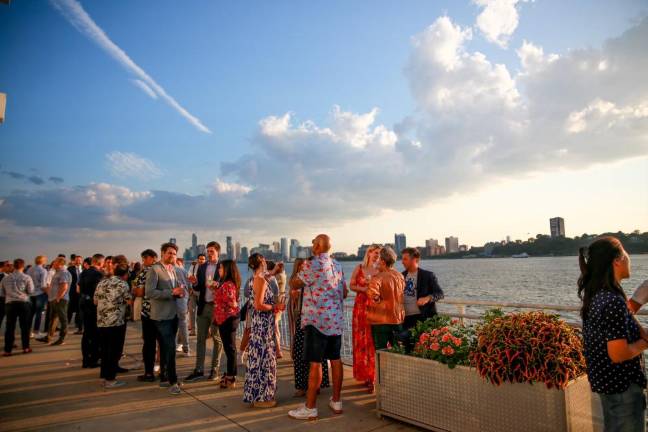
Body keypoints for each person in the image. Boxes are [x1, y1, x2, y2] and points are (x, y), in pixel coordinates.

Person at [579, 237, 648, 431]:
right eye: (625, 253)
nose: (629, 257)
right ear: (617, 260)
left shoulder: (599, 295)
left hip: (609, 386)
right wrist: (644, 343)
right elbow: (618, 354)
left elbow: (615, 325)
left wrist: (636, 302)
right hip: (622, 390)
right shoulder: (612, 301)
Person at [288, 234, 347, 421]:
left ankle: (310, 407)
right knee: (336, 360)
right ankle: (336, 401)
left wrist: (295, 277)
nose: (312, 244)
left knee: (315, 363)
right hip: (335, 320)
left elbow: (295, 283)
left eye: (314, 242)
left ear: (319, 246)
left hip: (316, 321)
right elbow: (344, 292)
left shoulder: (311, 264)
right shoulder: (337, 265)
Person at [145, 242, 184, 395]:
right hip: (161, 316)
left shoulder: (172, 269)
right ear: (162, 253)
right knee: (170, 349)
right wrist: (171, 292)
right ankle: (173, 381)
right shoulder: (154, 270)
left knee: (166, 347)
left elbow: (174, 290)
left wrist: (180, 292)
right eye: (169, 253)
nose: (172, 256)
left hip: (173, 314)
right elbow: (149, 292)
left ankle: (164, 377)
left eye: (174, 253)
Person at [243, 253, 281, 408]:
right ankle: (262, 397)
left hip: (260, 324)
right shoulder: (260, 279)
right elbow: (259, 305)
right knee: (265, 360)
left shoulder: (256, 278)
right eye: (264, 260)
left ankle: (258, 394)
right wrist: (274, 307)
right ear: (262, 262)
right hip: (263, 325)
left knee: (259, 358)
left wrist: (274, 272)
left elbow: (266, 276)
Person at [289, 257, 330, 397]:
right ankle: (302, 386)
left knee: (317, 353)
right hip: (302, 318)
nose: (303, 267)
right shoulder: (296, 280)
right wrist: (293, 296)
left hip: (315, 318)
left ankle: (317, 384)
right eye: (300, 265)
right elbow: (293, 300)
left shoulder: (314, 276)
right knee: (301, 353)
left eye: (305, 265)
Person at [185, 241, 223, 383]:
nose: (209, 253)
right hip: (203, 306)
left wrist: (217, 286)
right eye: (208, 251)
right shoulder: (202, 267)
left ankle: (215, 369)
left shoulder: (223, 267)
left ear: (218, 252)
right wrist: (194, 282)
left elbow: (229, 285)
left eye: (212, 251)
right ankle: (199, 369)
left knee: (216, 338)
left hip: (217, 307)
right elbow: (200, 287)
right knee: (200, 338)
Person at [94, 263, 132, 389]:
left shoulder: (102, 282)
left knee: (104, 350)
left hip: (101, 321)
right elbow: (129, 301)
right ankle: (110, 379)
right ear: (125, 274)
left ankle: (103, 376)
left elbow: (95, 301)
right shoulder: (123, 284)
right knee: (114, 351)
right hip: (116, 322)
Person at [350, 244, 380, 393]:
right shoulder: (359, 268)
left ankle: (373, 377)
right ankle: (365, 375)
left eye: (379, 254)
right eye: (375, 253)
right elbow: (351, 285)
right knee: (362, 341)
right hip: (361, 308)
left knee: (373, 341)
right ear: (368, 253)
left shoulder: (380, 270)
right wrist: (364, 289)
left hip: (375, 308)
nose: (377, 256)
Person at [366, 247, 405, 351]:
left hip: (380, 321)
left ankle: (382, 368)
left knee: (380, 352)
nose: (375, 261)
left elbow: (373, 296)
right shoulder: (400, 276)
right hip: (398, 319)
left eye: (377, 259)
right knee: (398, 350)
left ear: (382, 261)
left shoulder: (377, 277)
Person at [212, 259, 241, 388]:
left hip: (227, 319)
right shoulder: (226, 283)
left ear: (227, 269)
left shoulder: (228, 284)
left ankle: (231, 377)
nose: (219, 270)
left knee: (230, 349)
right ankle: (230, 374)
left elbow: (231, 301)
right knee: (230, 348)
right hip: (225, 319)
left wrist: (233, 304)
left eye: (221, 268)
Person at [400, 247, 444, 330]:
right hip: (405, 320)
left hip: (423, 318)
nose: (402, 262)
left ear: (415, 259)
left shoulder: (428, 275)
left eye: (405, 259)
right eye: (402, 259)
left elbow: (440, 293)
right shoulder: (400, 276)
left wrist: (427, 298)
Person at [134, 249, 159, 382]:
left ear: (151, 258)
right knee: (163, 343)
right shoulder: (164, 270)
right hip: (162, 312)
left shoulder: (145, 271)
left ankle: (149, 373)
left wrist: (135, 289)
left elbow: (139, 292)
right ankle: (164, 371)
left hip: (148, 312)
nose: (143, 262)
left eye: (144, 259)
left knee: (149, 343)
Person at [1, 259, 34, 356]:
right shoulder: (27, 277)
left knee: (10, 327)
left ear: (13, 266)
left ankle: (7, 350)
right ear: (23, 266)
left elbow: (2, 293)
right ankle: (26, 347)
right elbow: (31, 291)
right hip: (23, 302)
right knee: (25, 327)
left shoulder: (5, 278)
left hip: (10, 304)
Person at [37, 257, 72, 345]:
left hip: (60, 300)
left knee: (63, 319)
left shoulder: (63, 273)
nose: (53, 263)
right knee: (53, 319)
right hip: (55, 299)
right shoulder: (58, 272)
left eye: (55, 262)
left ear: (60, 264)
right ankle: (48, 337)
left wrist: (58, 298)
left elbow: (64, 286)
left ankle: (62, 338)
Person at [79, 254, 104, 368]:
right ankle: (94, 359)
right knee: (95, 334)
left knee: (86, 333)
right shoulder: (98, 274)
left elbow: (78, 288)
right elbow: (99, 292)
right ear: (100, 262)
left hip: (84, 302)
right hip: (94, 305)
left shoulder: (83, 272)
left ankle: (85, 360)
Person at [27, 255, 49, 338]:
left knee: (30, 314)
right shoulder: (43, 270)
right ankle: (36, 331)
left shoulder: (29, 269)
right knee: (39, 314)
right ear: (42, 261)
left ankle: (28, 332)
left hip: (31, 294)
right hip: (40, 294)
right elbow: (43, 285)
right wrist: (48, 293)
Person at [175, 257, 191, 356]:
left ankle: (172, 348)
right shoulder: (183, 270)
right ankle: (186, 349)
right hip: (182, 301)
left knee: (171, 326)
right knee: (183, 325)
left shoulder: (168, 270)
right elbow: (190, 286)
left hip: (171, 301)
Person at [187, 254, 206, 336]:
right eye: (200, 259)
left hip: (203, 293)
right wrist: (190, 288)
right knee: (192, 310)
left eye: (203, 259)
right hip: (193, 292)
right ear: (197, 259)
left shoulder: (207, 267)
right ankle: (193, 330)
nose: (201, 260)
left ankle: (206, 330)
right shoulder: (193, 266)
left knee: (203, 311)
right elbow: (189, 277)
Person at [67, 254, 83, 334]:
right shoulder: (70, 269)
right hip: (72, 291)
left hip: (81, 291)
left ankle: (78, 323)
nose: (78, 261)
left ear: (81, 261)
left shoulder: (84, 269)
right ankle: (67, 323)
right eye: (76, 260)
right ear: (74, 261)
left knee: (79, 308)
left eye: (79, 260)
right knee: (70, 307)